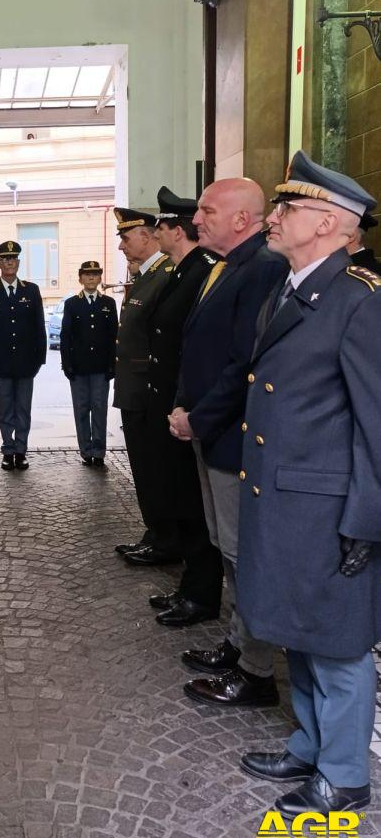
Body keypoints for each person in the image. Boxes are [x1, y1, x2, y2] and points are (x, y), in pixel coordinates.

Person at [236, 151, 381, 818]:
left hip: (329, 509)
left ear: (325, 223)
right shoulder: (291, 288)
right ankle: (310, 744)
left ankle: (345, 775)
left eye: (285, 209)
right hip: (287, 500)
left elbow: (377, 423)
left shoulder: (357, 301)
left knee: (339, 644)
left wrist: (366, 521)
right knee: (300, 631)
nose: (271, 219)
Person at [169, 178, 286, 707]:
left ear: (242, 218)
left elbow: (245, 364)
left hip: (233, 437)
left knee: (243, 555)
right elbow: (196, 347)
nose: (197, 219)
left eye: (207, 210)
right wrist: (181, 405)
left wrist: (199, 417)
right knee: (226, 547)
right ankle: (239, 646)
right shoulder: (228, 265)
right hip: (209, 430)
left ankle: (256, 672)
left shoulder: (261, 268)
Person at [140, 188, 222, 627]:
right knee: (183, 498)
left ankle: (202, 593)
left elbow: (198, 345)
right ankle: (192, 585)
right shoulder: (184, 270)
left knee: (193, 503)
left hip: (186, 406)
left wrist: (183, 404)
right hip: (172, 403)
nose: (156, 235)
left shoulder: (202, 271)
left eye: (161, 228)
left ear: (176, 230)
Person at [110, 208, 175, 560]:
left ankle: (164, 539)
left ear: (148, 236)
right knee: (144, 468)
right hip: (134, 389)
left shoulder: (164, 275)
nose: (121, 245)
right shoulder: (147, 275)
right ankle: (155, 531)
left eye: (126, 237)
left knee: (154, 469)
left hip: (148, 391)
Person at [0, 240, 46, 470]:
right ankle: (7, 449)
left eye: (13, 259)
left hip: (26, 364)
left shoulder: (31, 290)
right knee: (5, 409)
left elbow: (39, 328)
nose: (9, 263)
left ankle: (21, 451)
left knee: (23, 409)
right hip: (0, 363)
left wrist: (38, 361)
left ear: (19, 262)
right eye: (5, 259)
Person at [60, 260, 117, 467]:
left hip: (101, 367)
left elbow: (113, 336)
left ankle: (99, 451)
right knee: (82, 409)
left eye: (95, 274)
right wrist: (67, 364)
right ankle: (86, 450)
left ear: (100, 278)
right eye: (87, 274)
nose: (91, 278)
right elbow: (66, 336)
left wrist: (113, 364)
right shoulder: (72, 304)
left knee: (99, 408)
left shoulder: (108, 304)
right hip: (79, 367)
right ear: (80, 278)